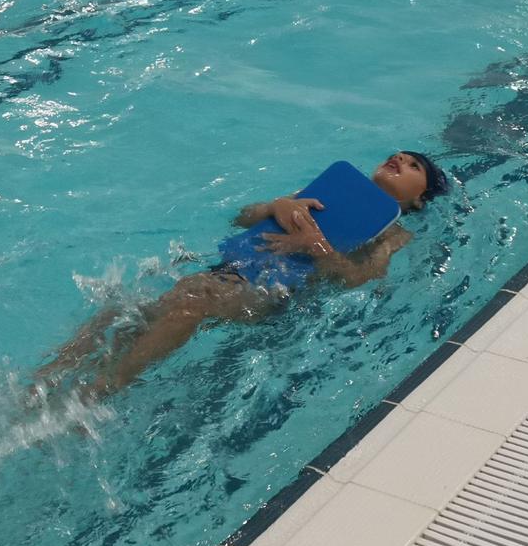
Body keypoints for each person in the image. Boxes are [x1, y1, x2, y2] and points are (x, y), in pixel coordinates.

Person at [39, 151, 450, 397]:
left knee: (192, 298)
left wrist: (317, 248)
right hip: (233, 272)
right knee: (122, 311)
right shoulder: (329, 192)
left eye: (413, 165)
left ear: (419, 199)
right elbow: (242, 219)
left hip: (278, 297)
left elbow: (364, 280)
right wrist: (275, 206)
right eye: (397, 155)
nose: (400, 160)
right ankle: (46, 380)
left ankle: (107, 388)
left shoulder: (394, 235)